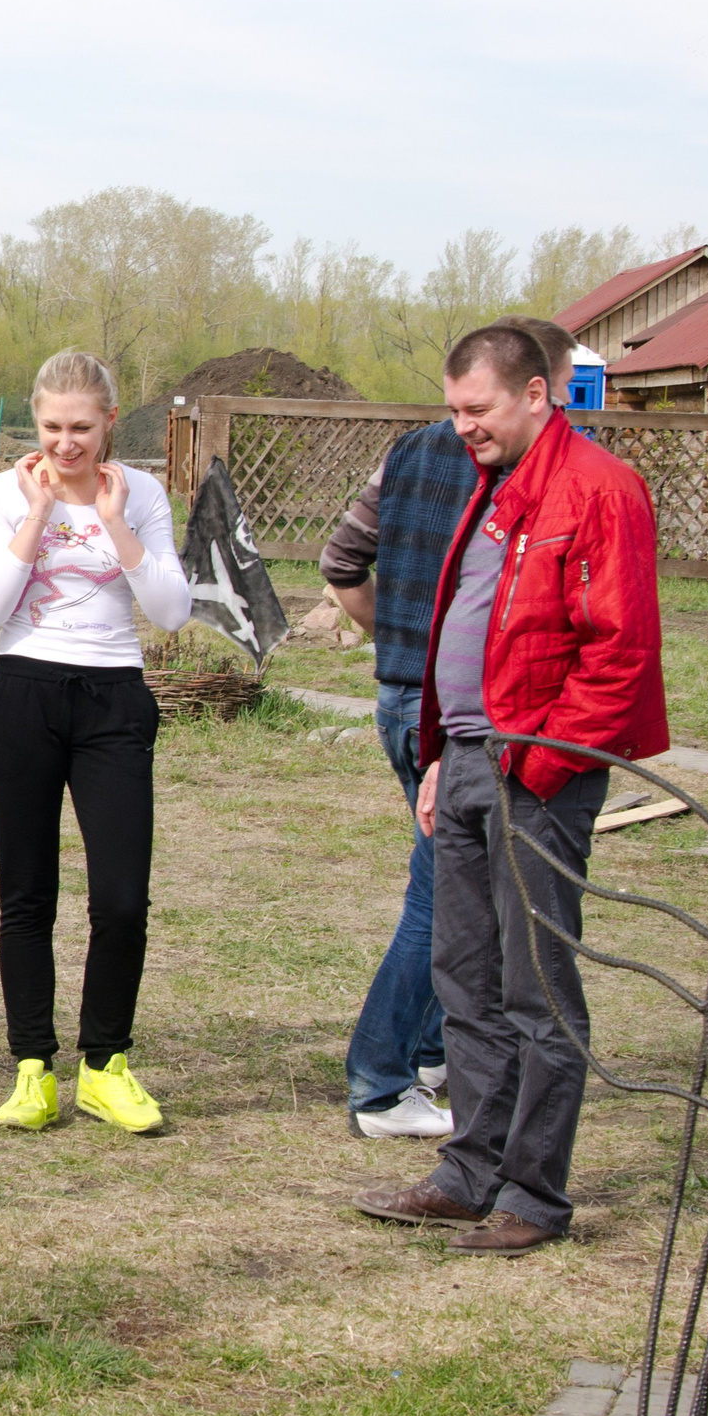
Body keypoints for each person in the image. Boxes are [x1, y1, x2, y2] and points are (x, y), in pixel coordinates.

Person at [353, 319, 666, 1256]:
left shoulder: (600, 492)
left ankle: (534, 1193)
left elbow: (619, 656)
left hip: (538, 770)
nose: (462, 428)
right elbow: (477, 630)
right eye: (452, 411)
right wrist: (449, 751)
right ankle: (468, 1170)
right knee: (464, 977)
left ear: (538, 394)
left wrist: (533, 762)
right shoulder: (494, 491)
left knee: (536, 990)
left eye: (476, 409)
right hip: (468, 762)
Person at [0, 351, 191, 1133]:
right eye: (52, 427)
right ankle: (34, 1068)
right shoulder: (3, 493)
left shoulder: (144, 493)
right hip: (24, 692)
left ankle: (104, 1066)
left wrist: (116, 523)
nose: (66, 445)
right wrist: (35, 514)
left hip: (113, 699)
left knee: (122, 899)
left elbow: (168, 611)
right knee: (26, 894)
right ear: (37, 423)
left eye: (82, 429)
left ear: (108, 424)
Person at [318, 415, 474, 1141]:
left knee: (459, 880)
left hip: (403, 693)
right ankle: (382, 1081)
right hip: (446, 706)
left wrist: (395, 637)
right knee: (442, 887)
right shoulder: (504, 464)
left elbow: (341, 561)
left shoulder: (408, 451)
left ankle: (433, 1052)